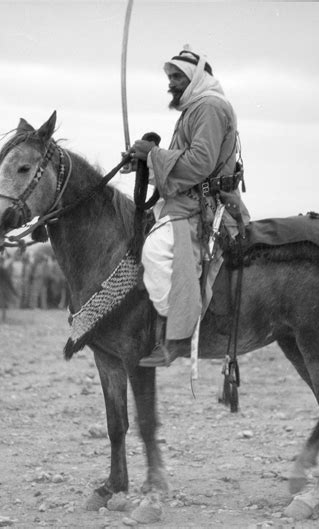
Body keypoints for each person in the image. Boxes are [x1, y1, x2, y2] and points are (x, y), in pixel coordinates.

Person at [131, 49, 250, 367]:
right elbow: (182, 160)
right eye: (169, 77)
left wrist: (154, 154)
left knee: (155, 250)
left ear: (196, 78)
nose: (170, 84)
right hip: (186, 199)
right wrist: (144, 163)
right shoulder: (194, 108)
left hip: (204, 207)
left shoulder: (209, 107)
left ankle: (178, 336)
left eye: (177, 77)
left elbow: (200, 163)